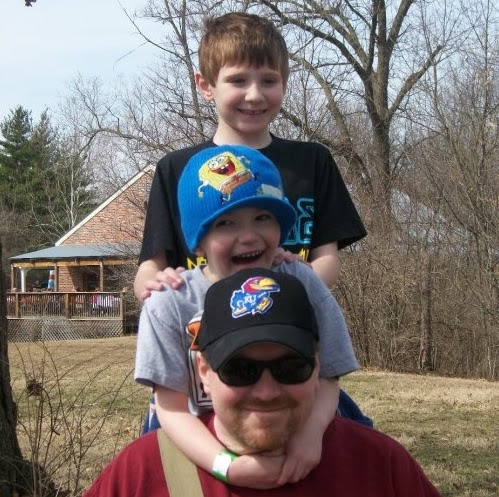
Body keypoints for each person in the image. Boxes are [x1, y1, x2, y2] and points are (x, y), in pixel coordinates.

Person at [84, 269, 442, 497]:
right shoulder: (141, 474)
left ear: (317, 367)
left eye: (290, 367)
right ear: (204, 372)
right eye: (240, 370)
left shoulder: (380, 468)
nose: (267, 392)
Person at [135, 144, 359, 487]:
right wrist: (226, 465)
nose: (249, 236)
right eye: (226, 223)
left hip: (296, 429)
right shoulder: (170, 303)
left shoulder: (300, 282)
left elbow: (329, 374)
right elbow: (171, 408)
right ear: (199, 242)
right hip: (199, 443)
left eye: (263, 218)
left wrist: (311, 434)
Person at [134, 12, 366, 302]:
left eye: (268, 80)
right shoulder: (177, 169)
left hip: (290, 319)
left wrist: (278, 298)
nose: (255, 94)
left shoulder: (313, 161)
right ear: (205, 85)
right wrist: (156, 286)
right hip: (204, 324)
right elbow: (150, 267)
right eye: (238, 80)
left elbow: (327, 260)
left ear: (285, 83)